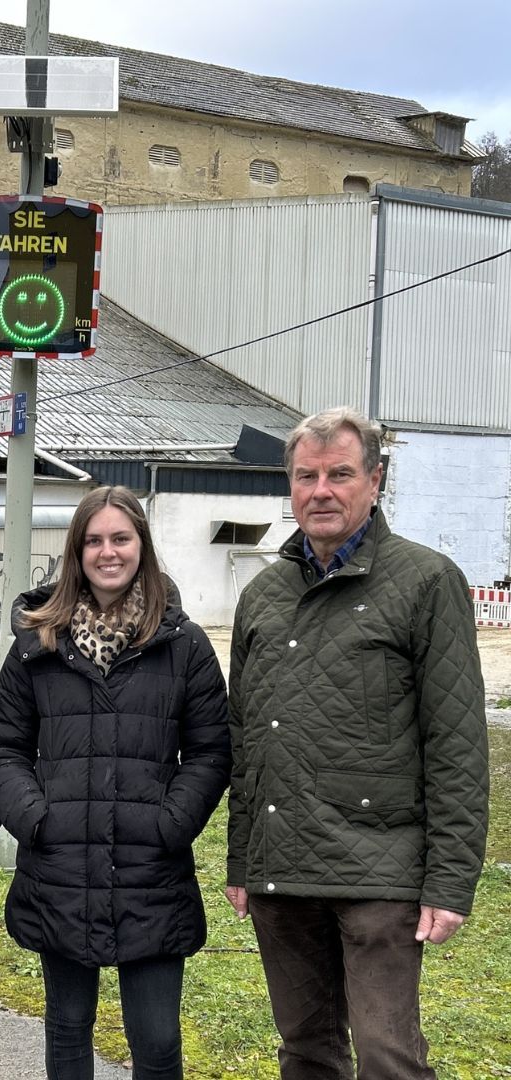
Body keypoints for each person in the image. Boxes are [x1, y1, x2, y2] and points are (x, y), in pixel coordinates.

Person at [226, 407, 488, 1079]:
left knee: (387, 1056)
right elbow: (245, 735)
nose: (321, 491)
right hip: (282, 872)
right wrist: (240, 859)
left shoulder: (426, 582)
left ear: (374, 480)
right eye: (305, 475)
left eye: (339, 474)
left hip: (380, 872)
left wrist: (451, 881)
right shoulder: (263, 595)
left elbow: (455, 741)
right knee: (306, 1051)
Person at [0, 485, 230, 1080]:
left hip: (150, 869)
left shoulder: (184, 645)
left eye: (121, 538)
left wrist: (171, 823)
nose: (107, 552)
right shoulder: (38, 643)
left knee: (157, 1040)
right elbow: (2, 747)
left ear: (142, 546)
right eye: (93, 540)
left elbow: (210, 750)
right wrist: (36, 819)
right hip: (62, 866)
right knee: (67, 1031)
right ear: (75, 552)